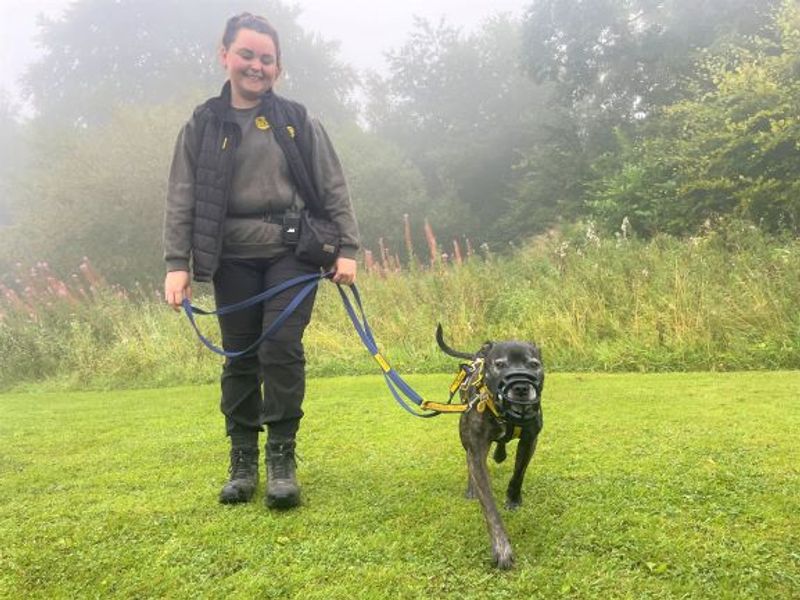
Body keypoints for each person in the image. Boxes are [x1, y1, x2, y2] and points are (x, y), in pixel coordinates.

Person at [163, 13, 360, 509]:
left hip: (294, 252)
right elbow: (181, 195)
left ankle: (281, 459)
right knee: (240, 356)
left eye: (266, 58)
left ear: (279, 66)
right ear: (224, 54)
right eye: (247, 55)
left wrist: (349, 250)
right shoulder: (202, 123)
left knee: (281, 351)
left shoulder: (297, 119)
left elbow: (333, 185)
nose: (256, 66)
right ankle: (242, 461)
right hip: (230, 256)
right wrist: (176, 263)